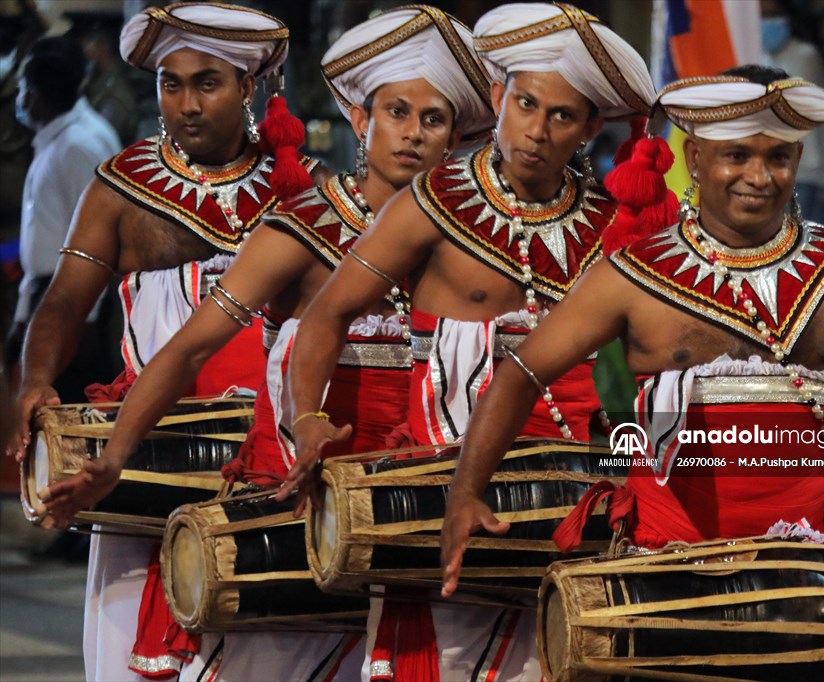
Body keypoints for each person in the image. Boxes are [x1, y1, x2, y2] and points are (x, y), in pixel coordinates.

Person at [439, 66, 824, 602]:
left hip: (803, 580)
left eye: (778, 158)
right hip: (663, 573)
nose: (759, 177)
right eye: (736, 155)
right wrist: (466, 493)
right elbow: (521, 374)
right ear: (696, 157)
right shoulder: (631, 275)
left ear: (799, 158)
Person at [37, 7, 494, 678]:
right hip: (290, 501)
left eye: (433, 121)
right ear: (362, 121)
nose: (414, 136)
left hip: (409, 509)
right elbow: (188, 346)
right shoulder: (303, 221)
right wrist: (115, 455)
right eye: (397, 113)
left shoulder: (470, 245)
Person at [283, 4, 655, 679]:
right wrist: (306, 417)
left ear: (592, 128)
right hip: (440, 484)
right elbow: (326, 315)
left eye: (562, 117)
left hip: (570, 502)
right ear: (496, 97)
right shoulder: (432, 202)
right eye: (525, 104)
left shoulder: (613, 229)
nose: (536, 131)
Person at [7, 5, 327, 679]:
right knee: (130, 657)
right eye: (171, 84)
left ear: (248, 87)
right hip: (148, 456)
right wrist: (37, 376)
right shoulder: (122, 186)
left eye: (206, 83)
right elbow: (64, 300)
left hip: (264, 462)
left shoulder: (301, 187)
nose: (185, 104)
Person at [7, 37, 120, 393]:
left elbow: (101, 237)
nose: (19, 98)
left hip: (68, 298)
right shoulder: (63, 138)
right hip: (51, 293)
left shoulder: (76, 147)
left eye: (23, 88)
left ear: (36, 94)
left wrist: (84, 319)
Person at [760, 0, 824, 224]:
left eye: (773, 15)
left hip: (808, 170)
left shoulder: (805, 56)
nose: (766, 23)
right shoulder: (758, 56)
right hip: (766, 169)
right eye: (761, 16)